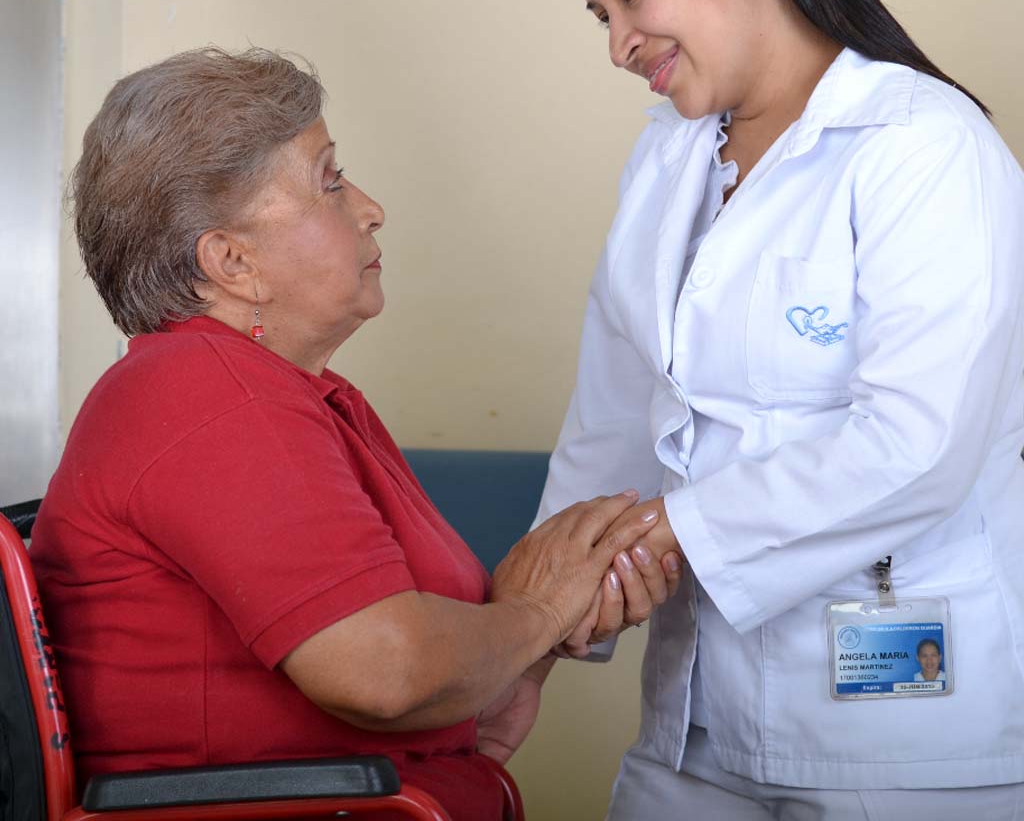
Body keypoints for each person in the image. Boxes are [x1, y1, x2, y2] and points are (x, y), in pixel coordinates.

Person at [28, 47, 678, 821]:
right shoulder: (209, 397)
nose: (369, 207)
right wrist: (536, 613)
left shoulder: (280, 395)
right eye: (330, 182)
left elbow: (397, 676)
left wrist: (534, 642)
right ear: (232, 261)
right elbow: (384, 674)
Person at [531, 0, 1024, 819]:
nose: (619, 42)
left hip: (903, 740)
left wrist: (675, 532)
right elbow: (614, 421)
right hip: (693, 728)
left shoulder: (921, 145)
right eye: (600, 16)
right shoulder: (665, 163)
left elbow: (918, 443)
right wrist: (540, 628)